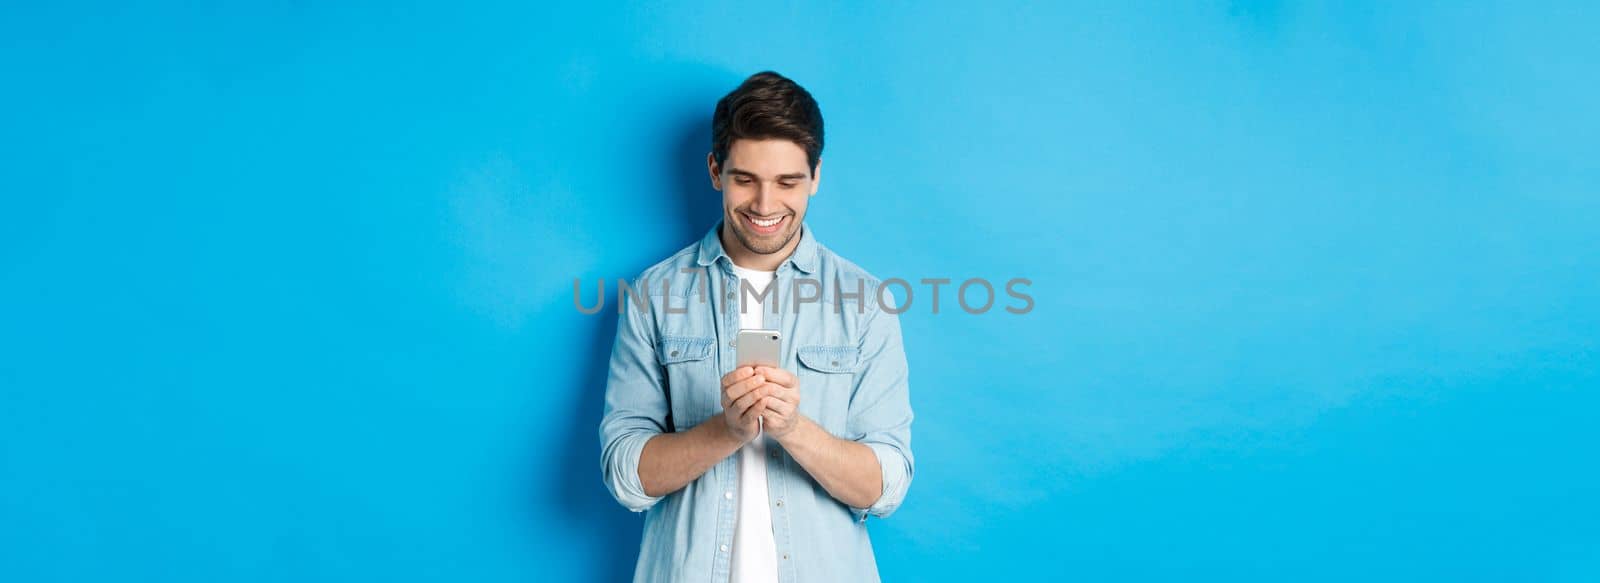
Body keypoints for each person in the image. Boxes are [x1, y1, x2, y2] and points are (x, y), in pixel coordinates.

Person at [598, 71, 915, 582]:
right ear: (714, 171)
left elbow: (886, 486)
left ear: (816, 176)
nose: (765, 206)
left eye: (787, 182)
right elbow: (624, 474)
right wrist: (727, 430)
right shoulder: (652, 295)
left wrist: (792, 429)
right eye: (746, 179)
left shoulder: (866, 303)